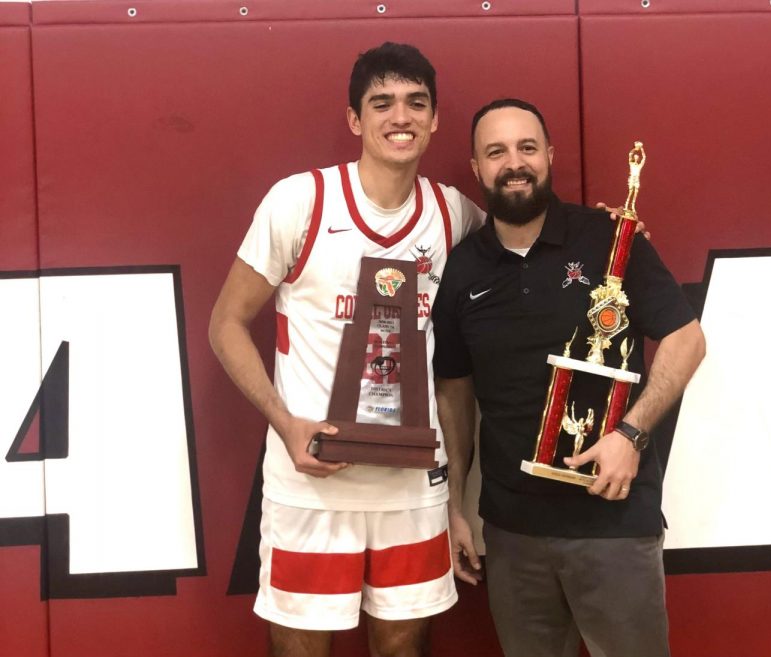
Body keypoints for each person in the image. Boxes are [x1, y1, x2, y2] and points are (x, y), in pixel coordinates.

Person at [208, 43, 483, 657]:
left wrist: (608, 237)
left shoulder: (453, 215)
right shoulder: (299, 202)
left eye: (416, 103)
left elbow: (526, 254)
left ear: (436, 119)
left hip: (412, 487)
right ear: (355, 120)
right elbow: (226, 324)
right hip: (311, 482)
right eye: (381, 103)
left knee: (404, 650)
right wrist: (286, 424)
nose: (400, 117)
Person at [432, 98, 706, 657]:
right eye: (497, 151)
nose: (514, 162)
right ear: (477, 167)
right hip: (512, 533)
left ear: (550, 155)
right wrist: (455, 507)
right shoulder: (462, 270)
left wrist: (631, 435)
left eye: (527, 147)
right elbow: (455, 392)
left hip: (614, 522)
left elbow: (687, 340)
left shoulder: (610, 238)